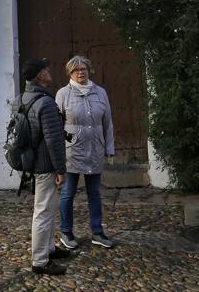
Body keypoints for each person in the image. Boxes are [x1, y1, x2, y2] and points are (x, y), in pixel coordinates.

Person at [54, 55, 116, 251]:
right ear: (70, 73)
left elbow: (108, 123)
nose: (80, 72)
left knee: (95, 193)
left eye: (83, 69)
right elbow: (57, 126)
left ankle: (97, 232)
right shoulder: (63, 94)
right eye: (75, 70)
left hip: (95, 149)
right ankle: (66, 232)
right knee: (68, 193)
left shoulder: (100, 93)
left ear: (89, 70)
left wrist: (109, 148)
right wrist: (57, 155)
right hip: (71, 151)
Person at [21, 56, 75, 275]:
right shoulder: (46, 103)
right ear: (40, 75)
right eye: (46, 68)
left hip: (33, 161)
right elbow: (54, 140)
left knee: (48, 208)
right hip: (46, 165)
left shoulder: (23, 98)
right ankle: (40, 261)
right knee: (43, 212)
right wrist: (61, 169)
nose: (49, 71)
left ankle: (49, 249)